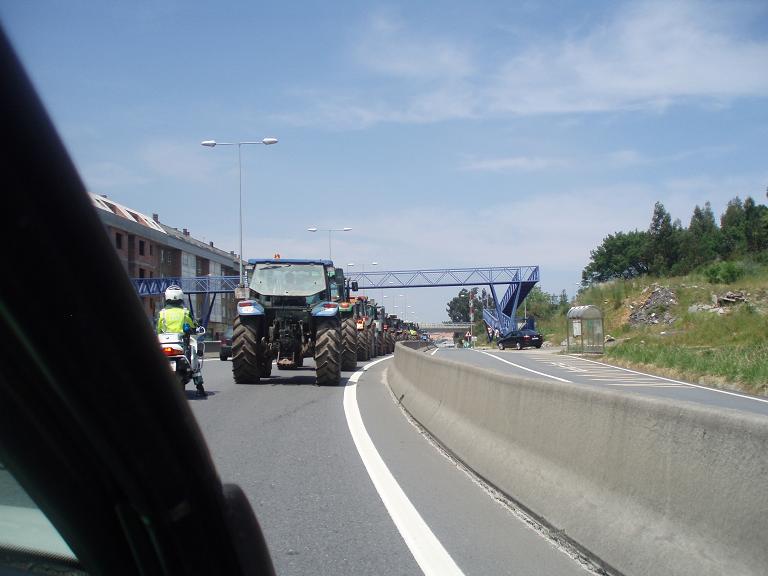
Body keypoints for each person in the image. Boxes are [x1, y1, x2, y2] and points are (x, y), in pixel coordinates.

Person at [157, 285, 206, 396]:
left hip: (165, 343)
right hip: (181, 342)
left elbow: (158, 329)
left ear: (167, 297)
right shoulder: (185, 312)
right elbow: (193, 325)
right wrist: (196, 327)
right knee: (194, 362)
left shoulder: (162, 313)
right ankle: (199, 388)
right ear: (180, 297)